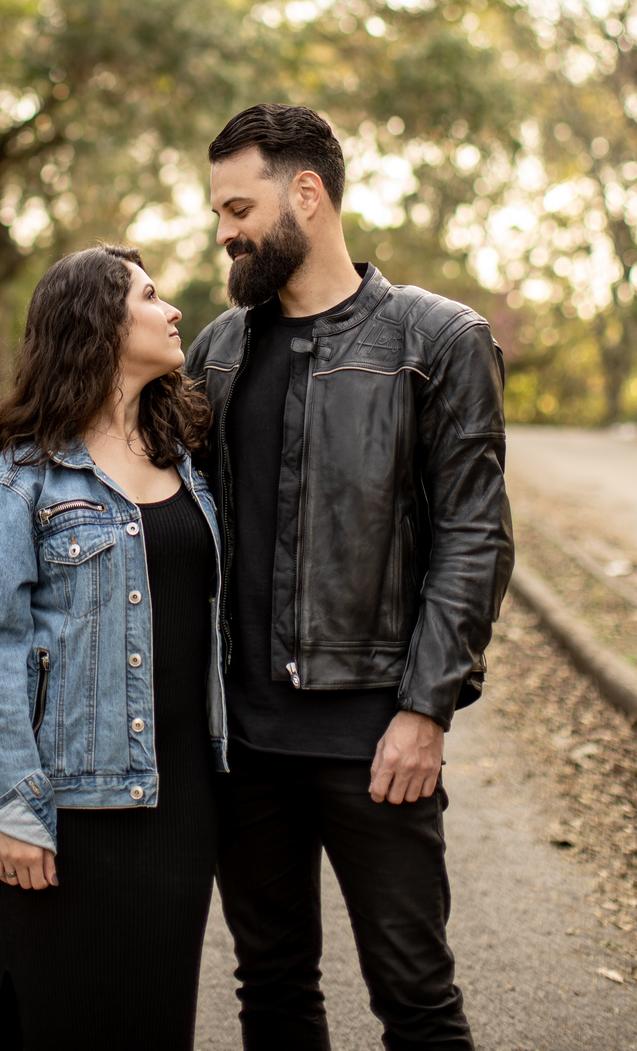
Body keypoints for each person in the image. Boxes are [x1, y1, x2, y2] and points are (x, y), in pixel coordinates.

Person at [185, 103, 514, 1051]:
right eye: (218, 214)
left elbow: (474, 538)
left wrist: (426, 712)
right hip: (243, 747)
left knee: (415, 1000)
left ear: (307, 193)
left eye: (237, 208)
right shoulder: (218, 349)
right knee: (273, 991)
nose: (225, 233)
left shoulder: (436, 341)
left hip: (377, 741)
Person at [0, 244, 226, 1051]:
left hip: (181, 803)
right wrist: (15, 810)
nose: (173, 309)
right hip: (71, 809)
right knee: (60, 1023)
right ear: (100, 325)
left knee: (155, 1024)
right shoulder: (19, 482)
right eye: (151, 296)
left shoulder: (187, 461)